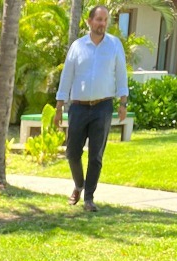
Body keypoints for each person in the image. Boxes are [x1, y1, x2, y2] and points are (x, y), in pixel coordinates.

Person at [54, 5, 129, 212]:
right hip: (78, 107)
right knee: (72, 153)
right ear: (89, 21)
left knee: (96, 155)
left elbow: (121, 75)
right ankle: (79, 184)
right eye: (98, 20)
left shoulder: (114, 45)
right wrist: (59, 106)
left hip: (103, 106)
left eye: (105, 20)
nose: (102, 24)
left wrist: (123, 103)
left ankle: (89, 198)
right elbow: (66, 77)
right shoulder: (78, 46)